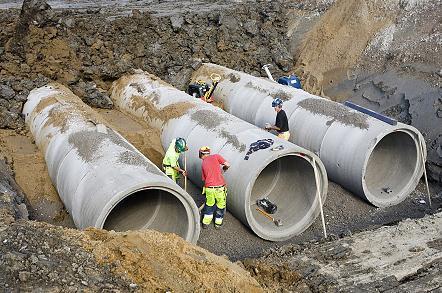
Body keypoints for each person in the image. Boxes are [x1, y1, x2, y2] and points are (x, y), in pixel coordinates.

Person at [199, 146, 230, 229]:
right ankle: (217, 224)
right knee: (221, 206)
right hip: (220, 188)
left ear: (202, 154)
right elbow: (228, 164)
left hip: (209, 188)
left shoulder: (203, 164)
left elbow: (204, 179)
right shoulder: (216, 156)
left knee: (209, 205)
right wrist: (224, 168)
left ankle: (205, 223)